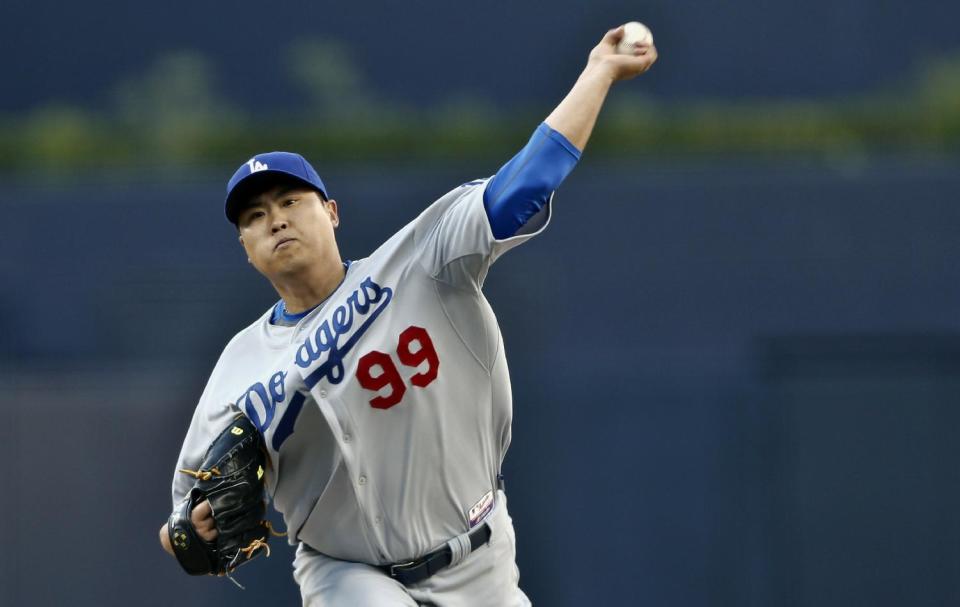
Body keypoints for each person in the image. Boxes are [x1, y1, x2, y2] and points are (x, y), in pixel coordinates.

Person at [159, 24, 657, 606]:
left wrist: (599, 70)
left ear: (332, 212)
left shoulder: (421, 261)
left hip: (479, 558)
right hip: (345, 575)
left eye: (290, 201)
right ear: (245, 247)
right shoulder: (238, 365)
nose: (275, 219)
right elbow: (179, 525)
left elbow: (525, 184)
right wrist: (188, 533)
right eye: (254, 216)